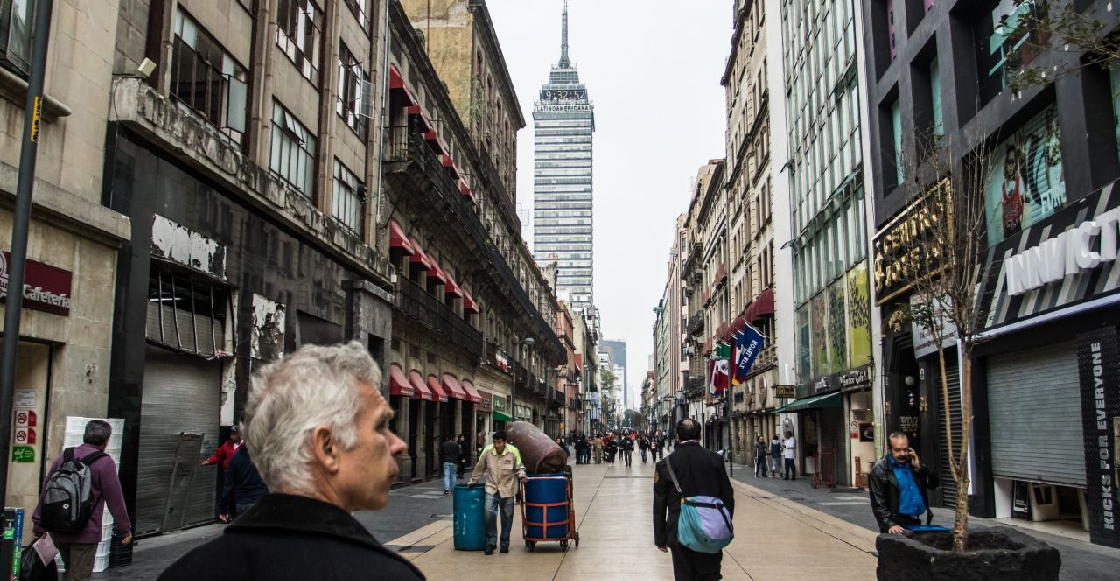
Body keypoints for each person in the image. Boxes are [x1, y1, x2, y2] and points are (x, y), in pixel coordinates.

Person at [158, 342, 423, 581]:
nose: (398, 444)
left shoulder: (184, 572)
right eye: (380, 426)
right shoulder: (386, 575)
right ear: (327, 448)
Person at [33, 420, 132, 581]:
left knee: (70, 571)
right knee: (79, 576)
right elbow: (116, 500)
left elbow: (46, 490)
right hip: (85, 533)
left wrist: (38, 522)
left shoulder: (64, 456)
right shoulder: (105, 463)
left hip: (58, 529)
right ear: (106, 441)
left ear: (85, 436)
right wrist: (124, 529)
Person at [654, 419, 735, 581]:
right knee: (710, 575)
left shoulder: (666, 464)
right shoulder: (715, 459)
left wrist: (660, 538)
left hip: (679, 530)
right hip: (710, 528)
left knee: (684, 576)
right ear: (699, 436)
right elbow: (728, 496)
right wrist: (722, 523)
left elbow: (659, 504)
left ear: (677, 436)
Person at [468, 431, 528, 555]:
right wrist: (473, 480)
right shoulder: (487, 451)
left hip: (508, 489)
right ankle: (491, 542)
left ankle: (504, 543)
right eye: (495, 442)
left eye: (499, 442)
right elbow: (479, 467)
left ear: (505, 442)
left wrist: (522, 476)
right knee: (488, 514)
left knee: (507, 517)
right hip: (492, 488)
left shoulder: (513, 452)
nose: (496, 445)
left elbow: (519, 467)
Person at [870, 432, 940, 533]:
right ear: (889, 449)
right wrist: (889, 523)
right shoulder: (880, 470)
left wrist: (920, 468)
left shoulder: (913, 464)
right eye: (897, 450)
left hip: (916, 522)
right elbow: (878, 502)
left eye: (905, 449)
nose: (902, 453)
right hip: (895, 524)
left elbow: (933, 484)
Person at [220, 444, 269, 523]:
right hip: (259, 501)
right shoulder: (263, 459)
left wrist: (223, 508)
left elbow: (228, 487)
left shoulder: (235, 458)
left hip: (241, 503)